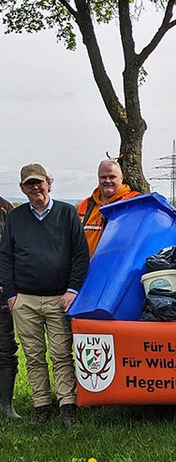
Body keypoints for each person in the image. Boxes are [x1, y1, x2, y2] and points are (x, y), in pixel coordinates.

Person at [0, 164, 89, 427]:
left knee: (62, 354)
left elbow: (81, 255)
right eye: (29, 184)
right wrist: (12, 296)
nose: (35, 188)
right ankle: (41, 405)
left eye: (39, 182)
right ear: (22, 188)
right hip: (24, 300)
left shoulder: (67, 213)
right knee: (34, 356)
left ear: (49, 182)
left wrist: (72, 289)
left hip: (59, 298)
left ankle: (67, 406)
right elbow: (5, 257)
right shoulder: (15, 218)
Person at [77, 159, 139, 256]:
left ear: (121, 178)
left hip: (118, 266)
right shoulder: (85, 205)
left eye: (112, 177)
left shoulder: (134, 202)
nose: (107, 180)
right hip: (87, 267)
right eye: (103, 177)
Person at [0, 195, 20, 418]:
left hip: (2, 291)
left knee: (5, 348)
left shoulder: (5, 210)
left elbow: (13, 251)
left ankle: (6, 406)